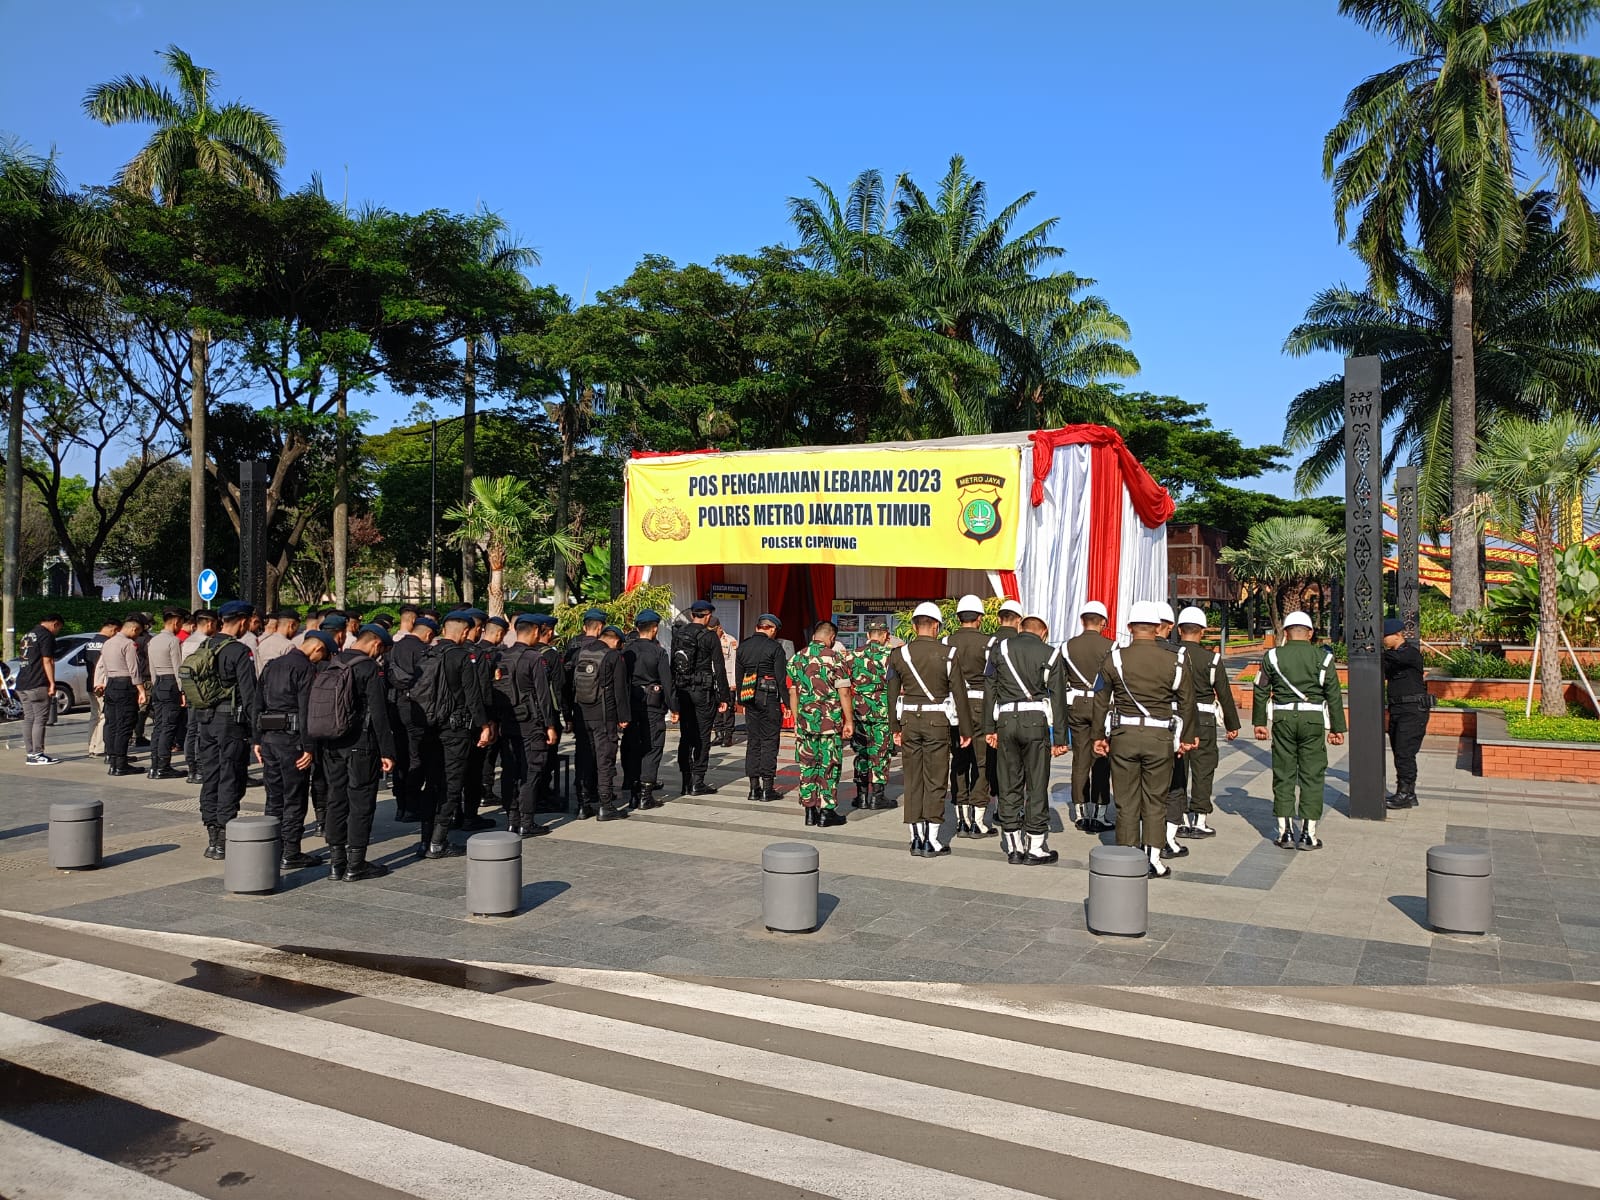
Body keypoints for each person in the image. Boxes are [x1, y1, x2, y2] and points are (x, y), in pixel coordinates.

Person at [1092, 600, 1198, 879]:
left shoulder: (1114, 658)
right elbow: (1188, 702)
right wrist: (1186, 737)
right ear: (1158, 627)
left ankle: (1127, 855)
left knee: (1126, 800)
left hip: (1124, 735)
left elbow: (1100, 699)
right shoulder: (1175, 659)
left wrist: (1097, 737)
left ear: (1129, 628)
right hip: (1159, 736)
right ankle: (1153, 859)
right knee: (1155, 799)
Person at [1252, 610, 1346, 850]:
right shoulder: (1324, 658)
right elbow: (1333, 695)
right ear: (1311, 633)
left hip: (1283, 718)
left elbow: (1261, 689)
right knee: (1312, 775)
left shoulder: (1272, 657)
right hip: (1313, 719)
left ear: (1285, 633)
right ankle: (1308, 833)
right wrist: (1337, 728)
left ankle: (1284, 832)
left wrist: (1260, 722)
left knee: (1283, 773)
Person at [890, 602, 975, 856]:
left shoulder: (898, 654)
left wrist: (894, 726)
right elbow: (959, 694)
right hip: (938, 722)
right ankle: (933, 839)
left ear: (915, 626)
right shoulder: (949, 653)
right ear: (936, 626)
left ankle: (915, 837)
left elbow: (891, 694)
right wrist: (965, 730)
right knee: (936, 778)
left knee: (913, 778)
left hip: (909, 721)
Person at [985, 614, 1070, 866]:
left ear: (1020, 628)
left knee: (1009, 783)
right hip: (1036, 721)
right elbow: (1058, 698)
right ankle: (1035, 846)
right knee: (1036, 784)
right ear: (1044, 632)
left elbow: (990, 687)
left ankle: (1013, 846)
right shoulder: (1051, 654)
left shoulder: (999, 649)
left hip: (1006, 720)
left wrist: (989, 728)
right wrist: (1060, 738)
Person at [315, 624, 396, 881]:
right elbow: (379, 713)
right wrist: (387, 751)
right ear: (375, 645)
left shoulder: (333, 662)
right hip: (361, 744)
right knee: (361, 802)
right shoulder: (369, 668)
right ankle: (356, 863)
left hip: (331, 742)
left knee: (336, 799)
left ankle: (336, 863)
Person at [417, 612, 493, 859]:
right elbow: (473, 695)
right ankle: (438, 843)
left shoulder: (428, 653)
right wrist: (484, 725)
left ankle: (425, 839)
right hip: (455, 729)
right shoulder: (463, 657)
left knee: (431, 783)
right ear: (464, 632)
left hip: (429, 727)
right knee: (451, 784)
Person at [255, 629, 331, 870]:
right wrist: (309, 747)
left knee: (273, 797)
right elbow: (307, 708)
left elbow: (257, 701)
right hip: (292, 741)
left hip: (269, 738)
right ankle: (291, 851)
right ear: (317, 648)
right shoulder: (305, 668)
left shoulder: (272, 665)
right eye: (323, 655)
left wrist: (257, 739)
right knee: (294, 797)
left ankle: (271, 848)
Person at [1165, 607, 1240, 848]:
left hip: (1177, 718)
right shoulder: (1212, 659)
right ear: (1203, 631)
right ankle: (1200, 819)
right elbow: (1225, 695)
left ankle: (1180, 816)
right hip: (1204, 721)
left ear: (1179, 630)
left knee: (1179, 768)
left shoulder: (1171, 654)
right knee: (1203, 769)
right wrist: (1232, 724)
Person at [190, 602, 260, 860]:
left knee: (211, 775)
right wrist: (257, 733)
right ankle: (222, 836)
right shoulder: (239, 651)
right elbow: (249, 694)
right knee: (231, 776)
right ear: (242, 621)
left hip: (204, 720)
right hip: (231, 723)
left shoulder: (204, 645)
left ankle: (211, 834)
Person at [564, 608, 632, 820]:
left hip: (582, 714)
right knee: (605, 759)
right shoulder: (613, 657)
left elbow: (568, 686)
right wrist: (624, 717)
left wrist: (568, 714)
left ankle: (583, 805)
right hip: (605, 715)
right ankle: (606, 805)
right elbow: (621, 690)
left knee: (584, 758)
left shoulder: (579, 653)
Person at [786, 619, 852, 827]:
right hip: (829, 724)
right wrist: (849, 720)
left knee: (807, 766)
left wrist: (797, 720)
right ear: (832, 638)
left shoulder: (797, 658)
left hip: (805, 723)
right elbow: (844, 691)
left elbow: (793, 692)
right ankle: (826, 811)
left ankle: (809, 811)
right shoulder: (835, 658)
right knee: (829, 766)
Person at [943, 595, 995, 835]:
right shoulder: (990, 643)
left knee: (960, 760)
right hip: (982, 705)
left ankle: (961, 816)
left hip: (955, 706)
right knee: (982, 762)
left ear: (957, 617)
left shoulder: (945, 642)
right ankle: (979, 819)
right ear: (980, 618)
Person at [1062, 600, 1114, 833]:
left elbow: (1060, 681)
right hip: (1102, 706)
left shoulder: (1066, 647)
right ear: (1103, 622)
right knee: (1101, 759)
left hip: (1077, 705)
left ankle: (1080, 812)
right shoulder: (1113, 646)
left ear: (1083, 620)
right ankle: (1100, 814)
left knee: (1080, 759)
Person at [506, 614, 558, 836]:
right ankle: (526, 823)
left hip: (508, 722)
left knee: (512, 772)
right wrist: (550, 725)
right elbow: (543, 695)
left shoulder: (503, 656)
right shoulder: (534, 658)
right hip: (531, 723)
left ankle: (512, 819)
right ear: (536, 632)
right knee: (531, 772)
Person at [672, 599, 730, 795]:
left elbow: (674, 665)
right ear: (707, 616)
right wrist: (724, 697)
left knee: (686, 735)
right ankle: (698, 781)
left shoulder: (678, 634)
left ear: (691, 615)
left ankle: (685, 780)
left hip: (683, 691)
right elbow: (719, 668)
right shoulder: (710, 636)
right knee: (703, 736)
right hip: (703, 692)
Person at [621, 609, 676, 809]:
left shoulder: (627, 651)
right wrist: (674, 707)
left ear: (637, 628)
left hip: (631, 704)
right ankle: (646, 794)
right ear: (654, 629)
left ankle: (634, 792)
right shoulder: (658, 651)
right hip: (653, 705)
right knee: (653, 748)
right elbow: (667, 683)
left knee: (634, 748)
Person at [387, 614, 437, 823]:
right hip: (415, 709)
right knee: (417, 757)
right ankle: (412, 805)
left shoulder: (394, 646)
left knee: (401, 756)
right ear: (428, 634)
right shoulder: (423, 651)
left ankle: (401, 805)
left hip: (395, 707)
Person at [734, 614, 787, 802]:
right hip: (769, 699)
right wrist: (787, 704)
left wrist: (741, 699)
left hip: (749, 699)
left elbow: (739, 676)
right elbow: (781, 680)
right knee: (770, 742)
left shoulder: (743, 646)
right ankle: (767, 788)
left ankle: (753, 788)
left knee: (753, 742)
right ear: (771, 629)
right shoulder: (775, 648)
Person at [1382, 618, 1431, 809]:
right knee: (1399, 751)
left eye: (1386, 636)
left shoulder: (1409, 654)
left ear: (1398, 635)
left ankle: (1406, 793)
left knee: (1405, 752)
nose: (1383, 640)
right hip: (1398, 710)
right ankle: (1406, 792)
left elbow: (1389, 659)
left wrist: (1371, 652)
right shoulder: (1392, 656)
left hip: (1413, 711)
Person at [848, 618, 895, 809]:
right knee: (880, 752)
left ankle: (860, 796)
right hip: (882, 710)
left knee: (862, 752)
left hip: (859, 710)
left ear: (868, 635)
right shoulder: (891, 654)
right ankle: (877, 796)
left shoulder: (852, 655)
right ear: (885, 635)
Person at [15, 613, 64, 766]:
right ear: (55, 624)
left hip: (22, 683)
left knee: (29, 718)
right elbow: (47, 660)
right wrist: (52, 683)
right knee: (40, 719)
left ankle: (30, 753)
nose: (57, 632)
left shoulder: (27, 635)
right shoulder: (46, 636)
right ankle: (38, 753)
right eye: (59, 628)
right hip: (38, 682)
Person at [145, 608, 186, 779]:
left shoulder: (153, 641)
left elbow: (152, 669)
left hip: (159, 683)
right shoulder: (173, 641)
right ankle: (163, 766)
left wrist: (155, 685)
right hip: (171, 683)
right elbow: (178, 668)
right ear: (176, 622)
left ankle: (154, 764)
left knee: (159, 726)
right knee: (169, 726)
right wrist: (182, 690)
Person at [180, 610, 218, 783]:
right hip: (202, 691)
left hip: (188, 689)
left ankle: (191, 769)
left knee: (191, 729)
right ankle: (201, 768)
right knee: (201, 730)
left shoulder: (187, 641)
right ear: (210, 623)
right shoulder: (206, 643)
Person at [533, 616, 566, 812]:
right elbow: (559, 686)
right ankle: (542, 794)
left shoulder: (527, 652)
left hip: (529, 713)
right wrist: (566, 714)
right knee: (548, 756)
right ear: (551, 632)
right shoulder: (551, 656)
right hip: (550, 713)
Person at [81, 617, 118, 759]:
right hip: (101, 684)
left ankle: (91, 745)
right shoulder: (107, 644)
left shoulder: (89, 643)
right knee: (104, 716)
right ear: (113, 629)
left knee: (94, 716)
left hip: (90, 682)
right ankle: (100, 747)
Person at [709, 616, 739, 747]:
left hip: (727, 679)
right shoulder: (708, 640)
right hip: (713, 680)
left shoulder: (730, 641)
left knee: (728, 709)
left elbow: (734, 663)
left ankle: (728, 735)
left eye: (713, 630)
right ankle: (718, 733)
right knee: (716, 708)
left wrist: (734, 683)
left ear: (719, 628)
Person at [253, 609, 298, 676]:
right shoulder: (288, 646)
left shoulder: (263, 643)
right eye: (296, 628)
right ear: (291, 625)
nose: (296, 632)